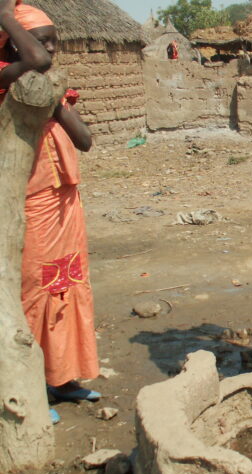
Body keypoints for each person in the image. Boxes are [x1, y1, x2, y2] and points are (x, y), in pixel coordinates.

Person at [0, 0, 100, 425]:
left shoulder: (48, 87)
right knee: (32, 291)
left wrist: (55, 103)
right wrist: (5, 12)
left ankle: (62, 377)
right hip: (27, 203)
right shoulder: (6, 81)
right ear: (13, 44)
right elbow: (35, 61)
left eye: (56, 41)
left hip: (63, 202)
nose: (51, 51)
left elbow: (85, 140)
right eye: (43, 42)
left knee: (68, 283)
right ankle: (30, 383)